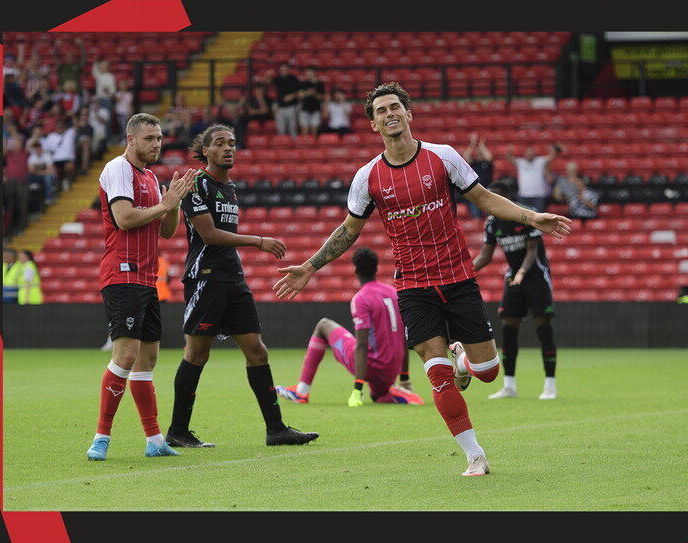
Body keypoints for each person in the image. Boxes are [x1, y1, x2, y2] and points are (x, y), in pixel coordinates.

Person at [273, 82, 572, 476]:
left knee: (488, 372)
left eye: (395, 106)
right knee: (436, 372)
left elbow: (483, 198)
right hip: (413, 286)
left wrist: (532, 216)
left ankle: (464, 359)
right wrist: (309, 267)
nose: (389, 113)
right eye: (381, 110)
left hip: (458, 277)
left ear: (409, 113)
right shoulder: (367, 177)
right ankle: (474, 455)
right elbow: (349, 230)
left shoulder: (443, 157)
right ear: (373, 123)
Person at [165, 123, 319, 449]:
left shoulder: (230, 188)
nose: (228, 148)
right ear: (205, 150)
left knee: (257, 352)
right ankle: (178, 431)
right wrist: (258, 240)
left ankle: (276, 429)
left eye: (232, 143)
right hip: (205, 278)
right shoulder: (196, 184)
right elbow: (208, 235)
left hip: (233, 279)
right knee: (197, 353)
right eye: (220, 143)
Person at [85, 112, 193, 461]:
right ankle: (101, 437)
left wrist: (172, 206)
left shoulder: (149, 176)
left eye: (160, 138)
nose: (157, 144)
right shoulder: (118, 169)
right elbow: (125, 218)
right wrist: (164, 204)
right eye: (149, 138)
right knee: (127, 356)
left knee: (147, 360)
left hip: (146, 279)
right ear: (131, 139)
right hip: (123, 273)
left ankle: (154, 440)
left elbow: (165, 231)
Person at [275, 247, 423, 406]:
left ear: (356, 271)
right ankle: (394, 392)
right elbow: (403, 337)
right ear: (376, 268)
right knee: (378, 396)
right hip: (390, 371)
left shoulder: (362, 298)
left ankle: (301, 392)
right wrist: (405, 377)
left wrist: (357, 388)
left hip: (370, 367)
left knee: (323, 325)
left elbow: (361, 345)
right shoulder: (393, 293)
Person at [472, 180, 559, 400]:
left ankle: (550, 385)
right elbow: (485, 255)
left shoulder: (528, 215)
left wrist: (521, 272)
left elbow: (532, 251)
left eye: (496, 197)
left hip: (536, 278)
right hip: (514, 280)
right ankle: (509, 386)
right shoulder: (492, 224)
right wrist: (464, 271)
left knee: (544, 329)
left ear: (507, 197)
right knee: (509, 329)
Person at [505, 141, 565, 212]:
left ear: (535, 154)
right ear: (525, 154)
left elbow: (552, 156)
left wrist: (556, 147)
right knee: (523, 218)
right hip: (524, 196)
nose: (530, 154)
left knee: (539, 217)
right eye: (528, 152)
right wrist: (509, 151)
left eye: (531, 152)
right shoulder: (521, 162)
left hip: (538, 196)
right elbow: (509, 158)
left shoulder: (540, 161)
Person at [552, 161, 599, 225]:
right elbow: (571, 208)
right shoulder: (573, 194)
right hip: (575, 217)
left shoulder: (590, 193)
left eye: (579, 184)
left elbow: (594, 208)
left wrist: (583, 200)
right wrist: (563, 210)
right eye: (576, 185)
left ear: (583, 184)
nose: (578, 186)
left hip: (588, 217)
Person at [461, 132, 495, 218]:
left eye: (481, 153)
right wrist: (472, 144)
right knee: (476, 217)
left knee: (489, 216)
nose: (479, 154)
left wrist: (481, 146)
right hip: (475, 193)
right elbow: (466, 155)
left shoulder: (487, 163)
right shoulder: (474, 163)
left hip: (488, 192)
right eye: (477, 153)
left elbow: (489, 157)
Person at [270, 62, 300, 139]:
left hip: (291, 106)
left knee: (292, 128)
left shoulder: (293, 79)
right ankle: (282, 144)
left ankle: (294, 145)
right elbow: (265, 82)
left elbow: (300, 92)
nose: (283, 71)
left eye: (285, 69)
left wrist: (291, 96)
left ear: (289, 70)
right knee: (281, 129)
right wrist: (267, 74)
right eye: (282, 70)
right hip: (280, 107)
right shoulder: (278, 79)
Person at [297, 67, 324, 138]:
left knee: (314, 129)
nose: (309, 74)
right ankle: (304, 144)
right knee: (304, 128)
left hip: (316, 108)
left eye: (310, 72)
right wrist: (307, 93)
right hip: (305, 108)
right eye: (307, 73)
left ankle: (313, 144)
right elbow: (299, 95)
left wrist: (314, 93)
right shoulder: (303, 83)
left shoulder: (319, 84)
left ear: (314, 73)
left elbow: (321, 97)